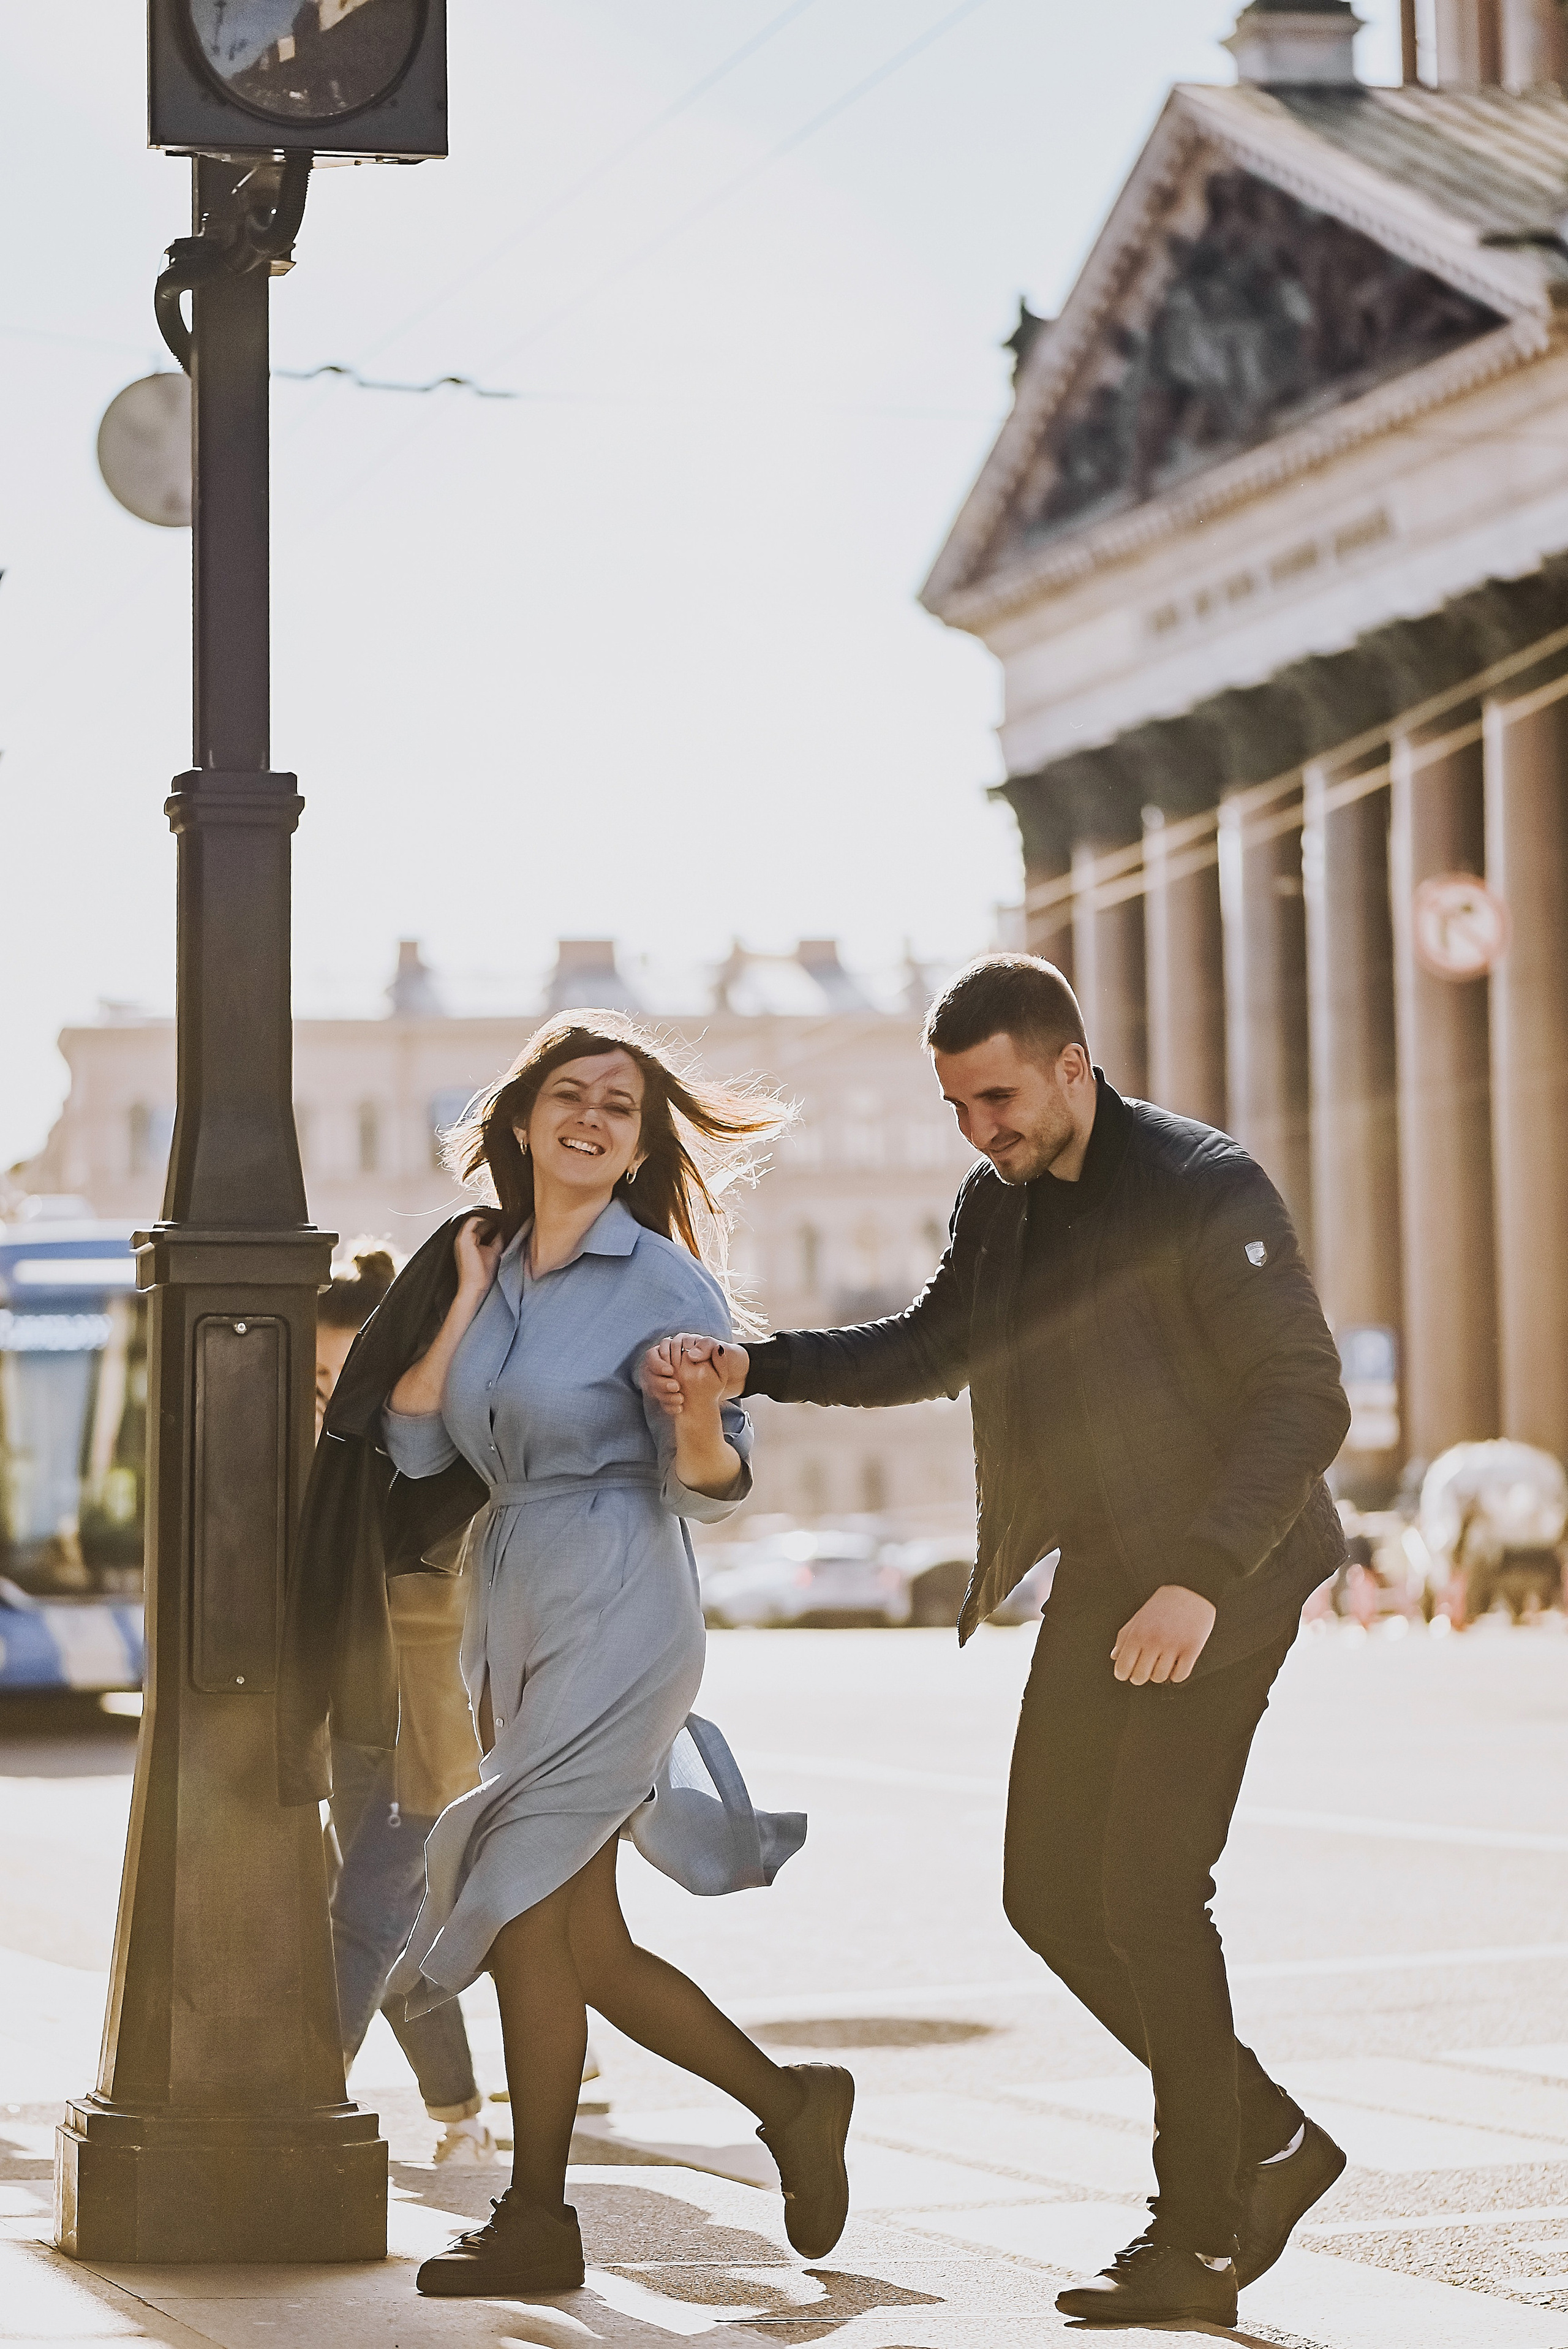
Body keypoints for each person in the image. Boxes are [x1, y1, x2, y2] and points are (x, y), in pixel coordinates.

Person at [646, 954, 1352, 2331]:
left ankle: (1197, 2230)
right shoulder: (1000, 1205)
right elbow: (929, 1348)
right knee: (1046, 1892)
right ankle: (1262, 2136)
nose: (981, 1130)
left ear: (1070, 1066)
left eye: (999, 1099)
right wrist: (761, 1363)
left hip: (1228, 1572)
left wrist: (1201, 1580)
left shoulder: (1203, 1188)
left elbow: (1301, 1398)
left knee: (1147, 1889)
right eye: (960, 1108)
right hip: (1106, 1573)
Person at [364, 1016, 856, 2300]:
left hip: (621, 1600)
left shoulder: (666, 1285)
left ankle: (536, 2215)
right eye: (568, 1093)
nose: (592, 1114)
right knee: (575, 1933)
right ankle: (789, 2103)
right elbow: (419, 1455)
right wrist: (466, 1299)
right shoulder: (490, 1267)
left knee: (525, 1899)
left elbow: (713, 1488)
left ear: (638, 1144)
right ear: (522, 1120)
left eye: (620, 1105)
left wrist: (693, 1414)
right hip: (510, 1602)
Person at [315, 1243, 500, 2169]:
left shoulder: (438, 1448)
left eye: (339, 1373)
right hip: (359, 1722)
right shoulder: (338, 1458)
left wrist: (464, 1291)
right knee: (385, 1928)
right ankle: (462, 2116)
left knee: (362, 1916)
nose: (326, 1396)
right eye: (314, 1378)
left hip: (434, 1739)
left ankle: (300, 2107)